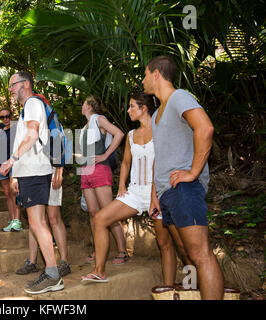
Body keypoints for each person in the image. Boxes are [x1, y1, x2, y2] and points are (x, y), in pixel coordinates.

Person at [80, 91, 191, 284]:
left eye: (132, 106)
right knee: (100, 218)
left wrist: (155, 195)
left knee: (167, 243)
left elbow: (164, 163)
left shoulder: (160, 132)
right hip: (135, 192)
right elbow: (125, 164)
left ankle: (170, 287)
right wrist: (122, 185)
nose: (128, 110)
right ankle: (99, 271)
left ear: (144, 108)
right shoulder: (131, 135)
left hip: (159, 192)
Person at [143, 55, 224, 299]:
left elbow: (205, 128)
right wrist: (154, 195)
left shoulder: (180, 97)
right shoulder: (158, 113)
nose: (143, 81)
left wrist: (193, 172)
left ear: (156, 74)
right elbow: (161, 154)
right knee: (187, 255)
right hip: (168, 193)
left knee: (200, 255)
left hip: (184, 190)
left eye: (145, 75)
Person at [0, 71, 64, 295]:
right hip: (30, 172)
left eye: (13, 85)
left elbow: (33, 135)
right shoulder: (28, 107)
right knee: (38, 223)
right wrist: (16, 172)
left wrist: (10, 161)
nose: (10, 89)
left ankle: (53, 274)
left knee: (37, 224)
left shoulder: (33, 102)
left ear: (25, 84)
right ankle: (51, 272)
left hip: (35, 171)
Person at [78, 96, 125, 265]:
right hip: (86, 170)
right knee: (93, 213)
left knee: (108, 211)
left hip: (100, 169)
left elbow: (119, 133)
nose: (81, 106)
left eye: (83, 103)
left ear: (89, 106)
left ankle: (122, 251)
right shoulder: (84, 127)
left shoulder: (99, 119)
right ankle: (99, 250)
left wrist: (105, 155)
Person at [0, 107, 22, 232]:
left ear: (11, 116)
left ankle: (18, 221)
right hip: (1, 164)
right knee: (7, 193)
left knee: (14, 191)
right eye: (2, 117)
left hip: (13, 163)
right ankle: (13, 220)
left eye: (7, 116)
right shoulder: (0, 131)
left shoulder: (17, 128)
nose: (5, 119)